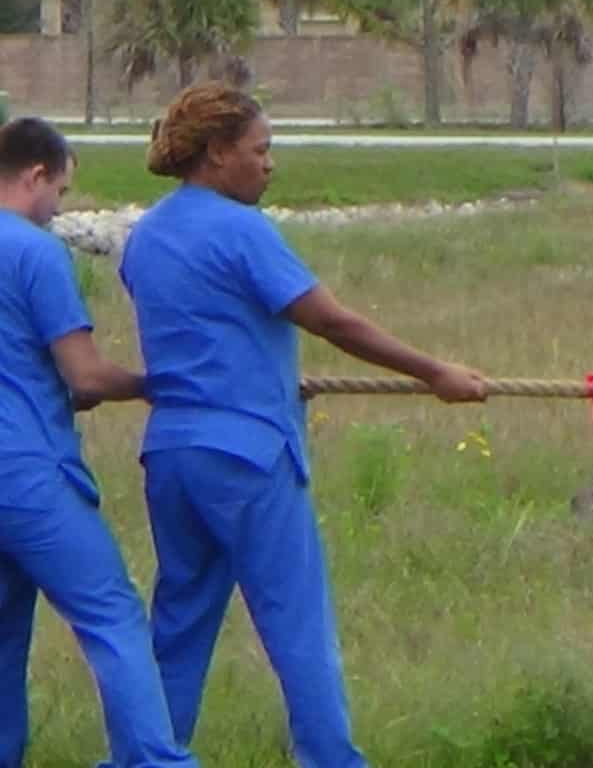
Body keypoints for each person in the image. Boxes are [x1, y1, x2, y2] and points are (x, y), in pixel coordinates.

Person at [118, 82, 489, 768]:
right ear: (218, 152)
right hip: (248, 456)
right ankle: (329, 758)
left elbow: (206, 333)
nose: (269, 164)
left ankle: (146, 756)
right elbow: (329, 319)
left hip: (172, 453)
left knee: (179, 621)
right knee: (296, 625)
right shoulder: (241, 229)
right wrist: (433, 372)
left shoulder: (147, 236)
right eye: (260, 150)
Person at [0, 118, 197, 768]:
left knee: (5, 632)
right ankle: (151, 760)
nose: (59, 207)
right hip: (26, 472)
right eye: (60, 190)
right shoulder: (34, 251)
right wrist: (153, 383)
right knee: (109, 613)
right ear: (35, 175)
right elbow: (83, 374)